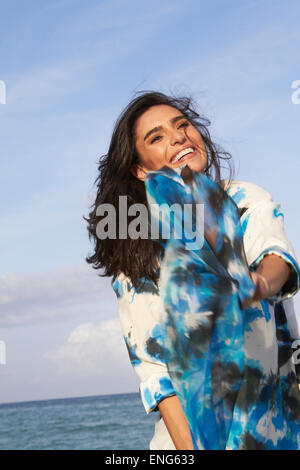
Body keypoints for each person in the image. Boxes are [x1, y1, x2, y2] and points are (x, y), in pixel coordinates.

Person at [85, 91, 300, 450]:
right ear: (140, 168)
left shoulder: (244, 199)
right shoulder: (137, 249)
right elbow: (157, 373)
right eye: (157, 137)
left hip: (281, 425)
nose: (179, 136)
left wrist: (261, 283)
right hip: (190, 440)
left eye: (183, 125)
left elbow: (274, 253)